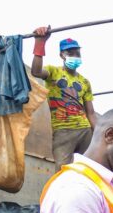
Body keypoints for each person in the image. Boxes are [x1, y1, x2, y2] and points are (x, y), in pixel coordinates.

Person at [31, 27, 97, 164]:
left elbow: (90, 113)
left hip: (84, 130)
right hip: (62, 131)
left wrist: (97, 133)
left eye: (77, 53)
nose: (75, 56)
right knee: (63, 171)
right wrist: (40, 43)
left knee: (88, 168)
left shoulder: (85, 82)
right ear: (62, 55)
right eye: (70, 53)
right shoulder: (53, 72)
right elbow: (36, 71)